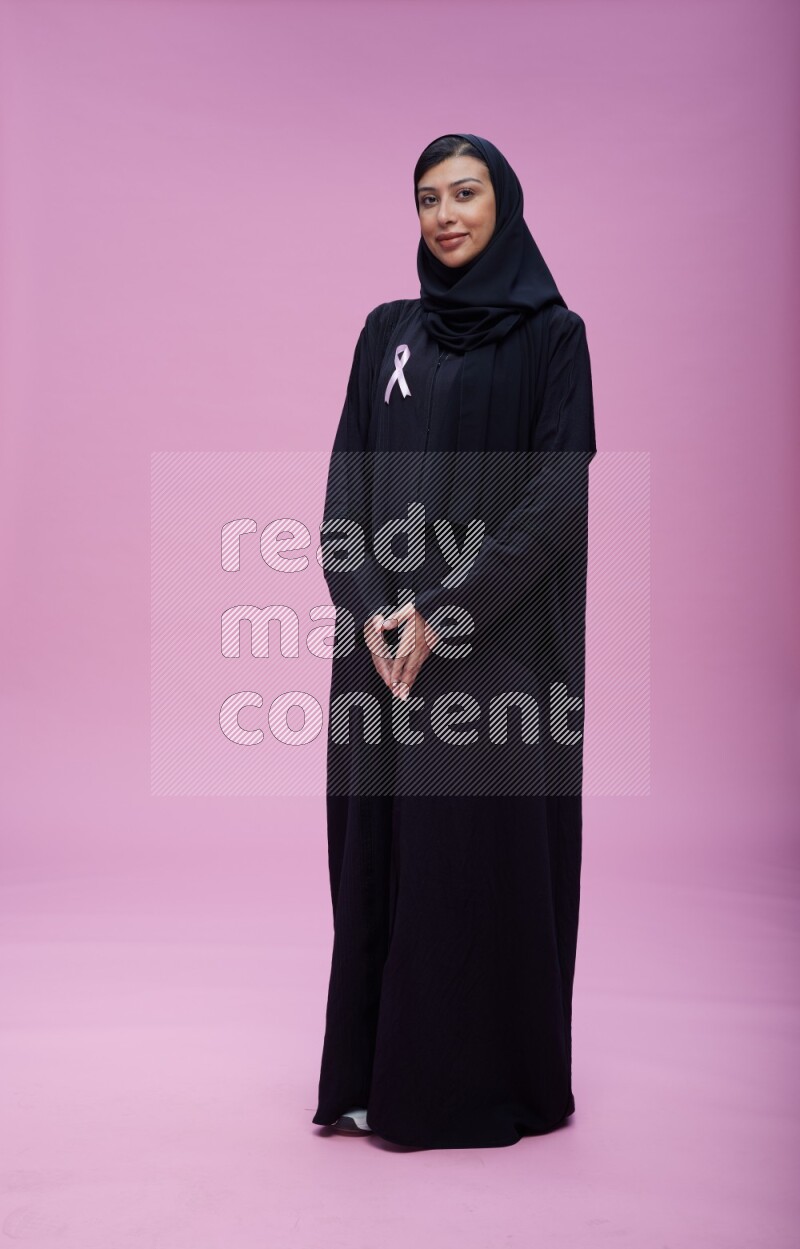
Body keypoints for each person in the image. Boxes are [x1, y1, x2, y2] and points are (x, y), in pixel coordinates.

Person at [312, 132, 597, 1149]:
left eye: (464, 193)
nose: (444, 214)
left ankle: (462, 1088)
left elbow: (550, 499)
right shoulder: (385, 330)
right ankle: (367, 1077)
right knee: (376, 855)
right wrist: (371, 606)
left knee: (463, 865)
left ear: (502, 202)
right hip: (377, 649)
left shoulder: (552, 338)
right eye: (427, 197)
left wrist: (443, 610)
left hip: (489, 650)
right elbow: (346, 482)